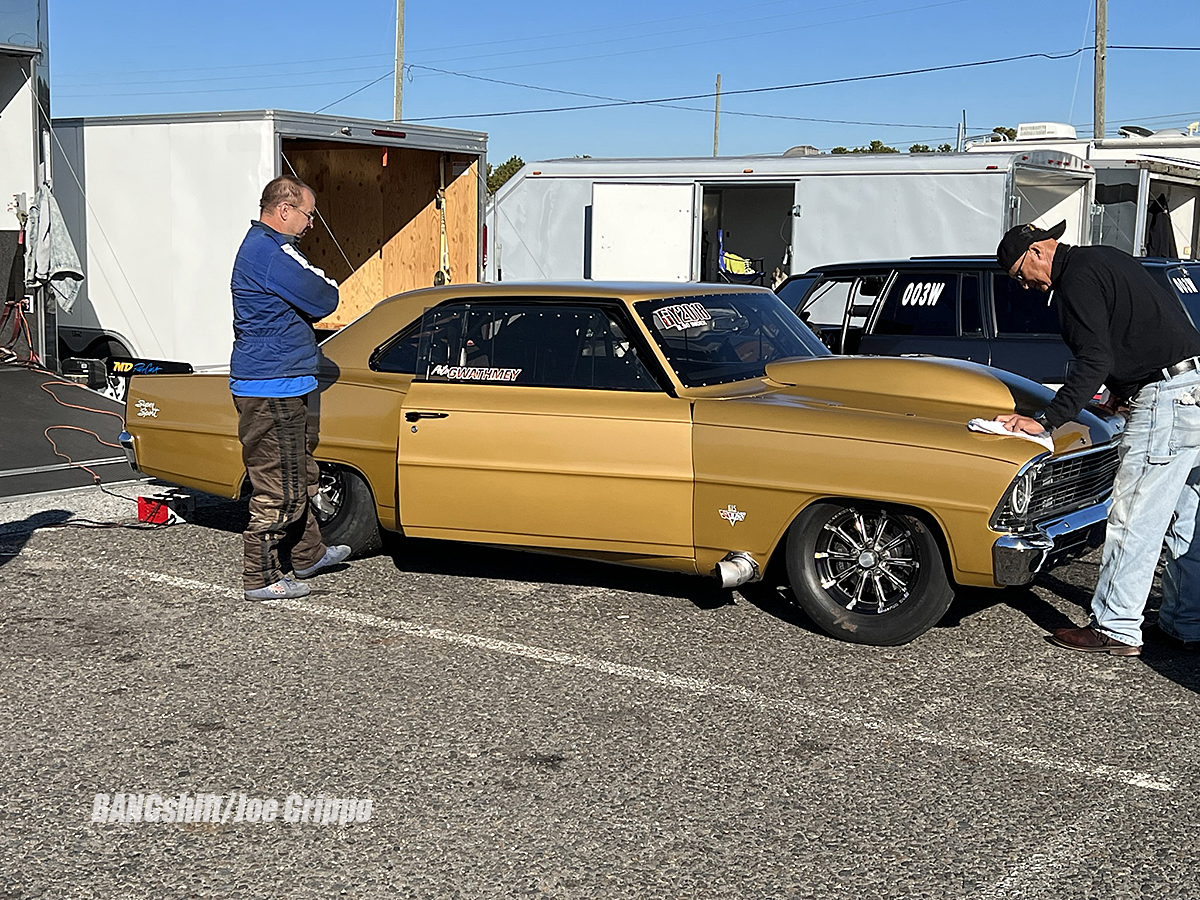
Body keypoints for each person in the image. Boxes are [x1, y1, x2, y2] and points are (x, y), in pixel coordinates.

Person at [994, 221, 1200, 656]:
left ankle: (1115, 626)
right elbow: (1139, 333)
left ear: (1035, 252)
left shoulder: (1075, 282)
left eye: (1018, 275)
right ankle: (1185, 622)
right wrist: (1121, 395)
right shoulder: (1104, 256)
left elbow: (1095, 356)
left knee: (1134, 516)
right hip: (1193, 385)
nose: (1025, 287)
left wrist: (1046, 420)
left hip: (1166, 399)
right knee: (1187, 519)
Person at [231, 175, 351, 601]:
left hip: (284, 379)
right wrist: (327, 287)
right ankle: (260, 577)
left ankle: (308, 554)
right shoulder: (271, 251)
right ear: (284, 210)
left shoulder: (270, 250)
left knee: (299, 472)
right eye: (308, 214)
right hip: (271, 386)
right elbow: (324, 297)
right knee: (278, 484)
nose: (310, 223)